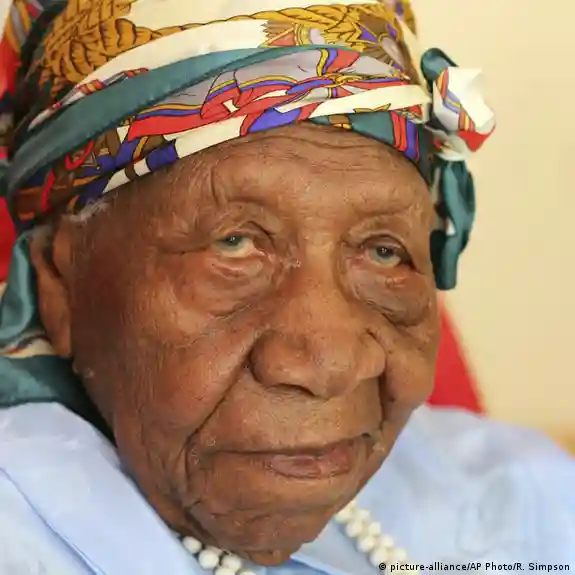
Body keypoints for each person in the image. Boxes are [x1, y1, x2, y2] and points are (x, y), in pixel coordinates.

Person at [0, 1, 573, 573]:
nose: (330, 365)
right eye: (233, 244)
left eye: (383, 251)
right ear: (60, 284)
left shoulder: (528, 499)